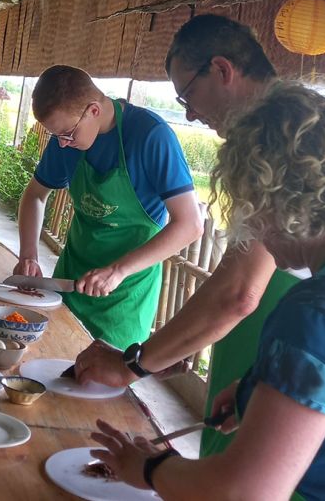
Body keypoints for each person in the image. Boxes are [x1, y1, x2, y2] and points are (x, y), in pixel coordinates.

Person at [89, 82, 325, 500]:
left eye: (247, 209)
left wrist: (149, 466)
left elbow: (240, 493)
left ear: (275, 200)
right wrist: (262, 392)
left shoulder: (319, 313)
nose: (248, 230)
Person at [72, 15, 302, 457]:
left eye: (188, 93)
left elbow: (238, 291)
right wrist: (175, 342)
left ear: (221, 69)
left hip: (300, 336)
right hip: (284, 343)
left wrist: (133, 364)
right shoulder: (297, 120)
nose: (190, 112)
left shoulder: (274, 142)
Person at [14, 65, 203, 350]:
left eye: (67, 134)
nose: (63, 144)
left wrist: (118, 271)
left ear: (93, 110)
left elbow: (190, 225)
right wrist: (28, 255)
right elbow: (35, 196)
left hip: (124, 295)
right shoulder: (66, 141)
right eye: (57, 137)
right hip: (69, 281)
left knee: (101, 386)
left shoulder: (151, 136)